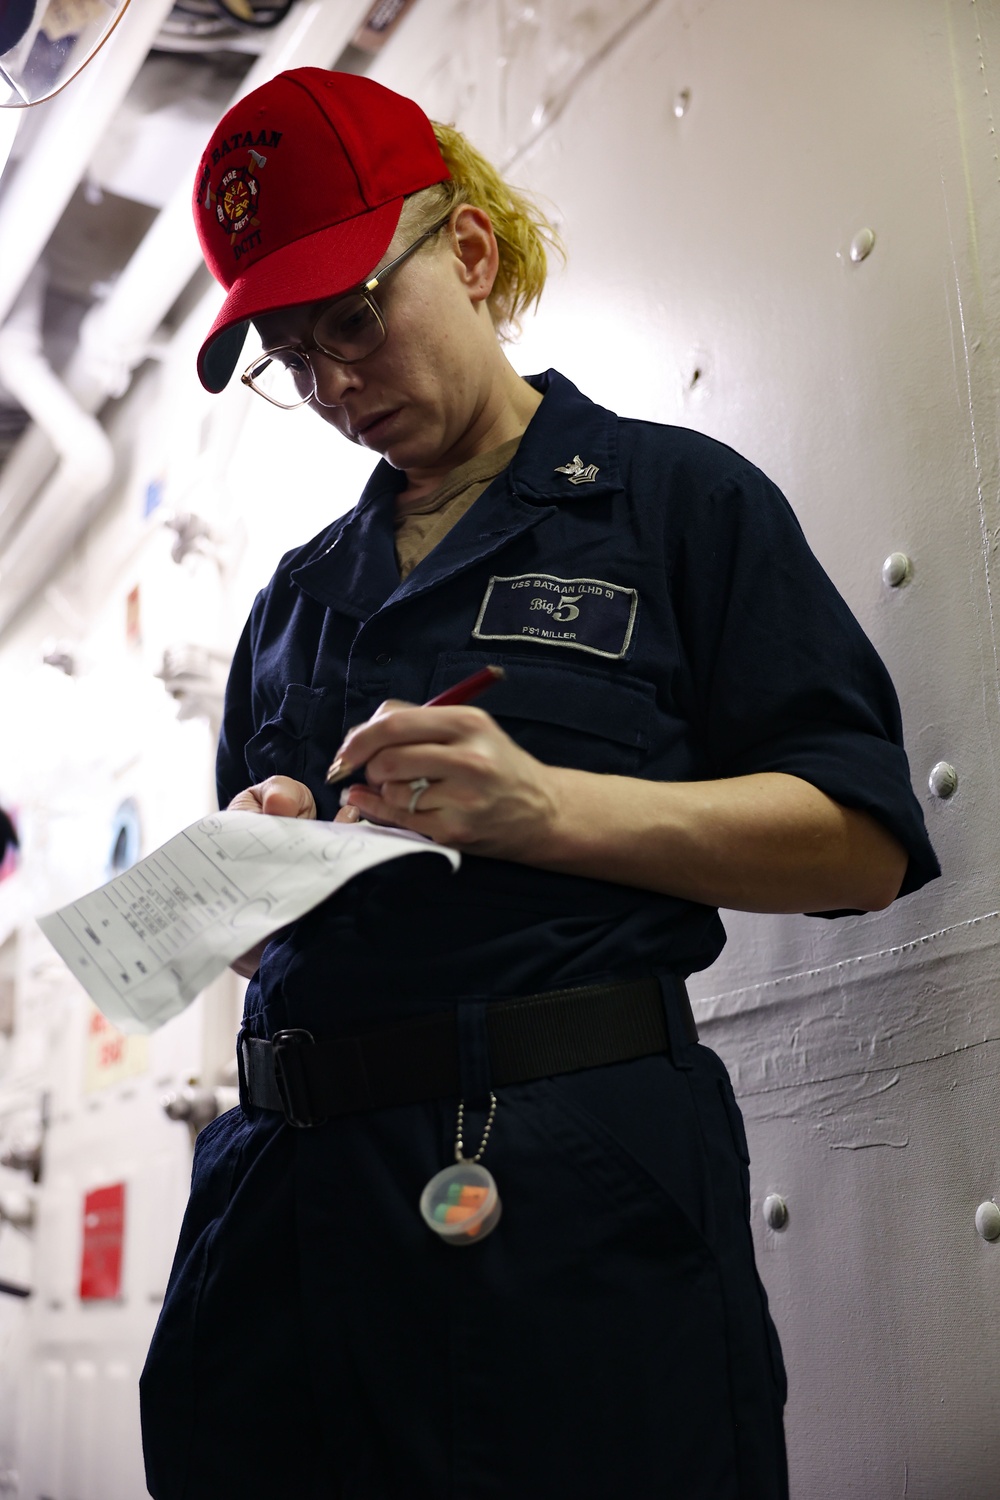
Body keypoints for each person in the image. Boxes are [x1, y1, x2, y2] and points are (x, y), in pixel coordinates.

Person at [139, 68, 939, 1500]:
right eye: (289, 353)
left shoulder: (676, 505)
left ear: (469, 252)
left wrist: (550, 811)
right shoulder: (295, 600)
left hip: (552, 1201)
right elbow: (259, 942)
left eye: (353, 323)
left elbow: (858, 844)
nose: (331, 384)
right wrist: (265, 864)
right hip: (279, 1213)